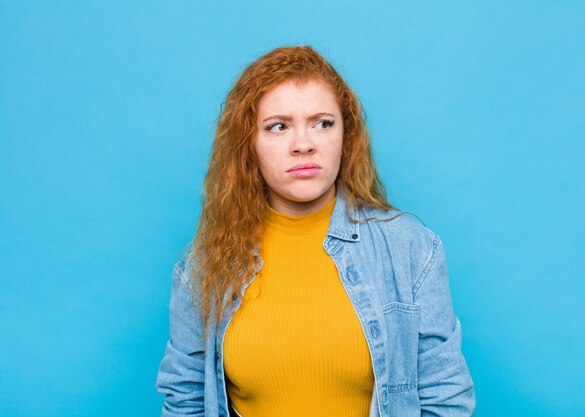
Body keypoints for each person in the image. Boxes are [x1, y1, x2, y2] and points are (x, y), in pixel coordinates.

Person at [156, 45, 475, 417]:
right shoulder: (202, 270)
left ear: (346, 135)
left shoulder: (411, 249)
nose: (304, 144)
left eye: (323, 123)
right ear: (249, 145)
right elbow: (186, 401)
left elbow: (445, 399)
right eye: (278, 126)